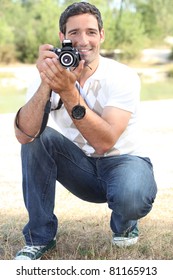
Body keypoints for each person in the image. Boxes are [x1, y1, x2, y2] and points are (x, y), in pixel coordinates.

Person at [14, 2, 157, 260]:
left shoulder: (122, 76)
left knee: (131, 194)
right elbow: (25, 135)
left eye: (91, 32)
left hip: (124, 163)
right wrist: (47, 83)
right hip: (79, 166)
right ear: (62, 38)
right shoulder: (47, 73)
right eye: (74, 33)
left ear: (101, 35)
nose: (83, 40)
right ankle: (39, 237)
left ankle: (125, 222)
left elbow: (105, 142)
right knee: (39, 137)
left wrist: (68, 91)